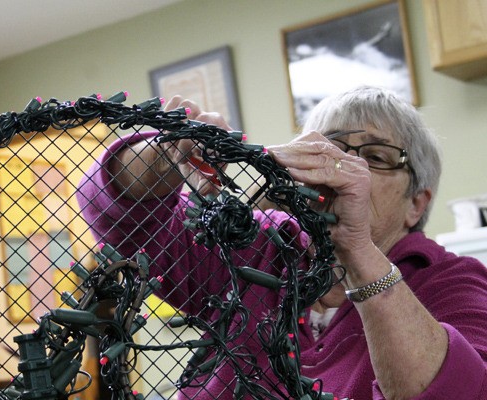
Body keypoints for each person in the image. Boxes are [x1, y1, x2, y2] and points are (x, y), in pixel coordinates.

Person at [77, 86, 487, 399]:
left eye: (376, 158)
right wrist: (168, 154)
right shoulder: (257, 244)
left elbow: (461, 391)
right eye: (328, 148)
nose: (344, 167)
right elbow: (125, 221)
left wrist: (356, 247)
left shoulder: (453, 281)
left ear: (416, 203)